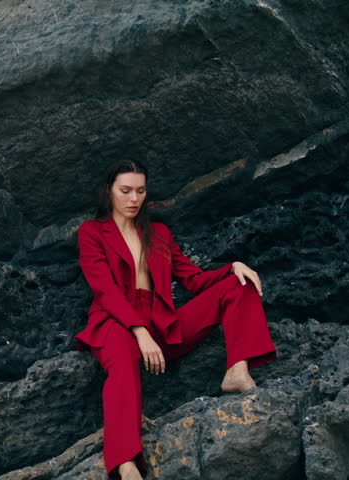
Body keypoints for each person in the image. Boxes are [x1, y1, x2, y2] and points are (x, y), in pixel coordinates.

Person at [75, 160, 277, 480]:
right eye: (125, 191)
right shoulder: (92, 232)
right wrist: (140, 332)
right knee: (123, 364)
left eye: (140, 191)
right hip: (114, 320)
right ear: (109, 191)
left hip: (162, 324)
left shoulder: (159, 233)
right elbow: (105, 290)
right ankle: (126, 464)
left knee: (239, 284)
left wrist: (232, 267)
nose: (134, 199)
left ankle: (237, 371)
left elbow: (193, 280)